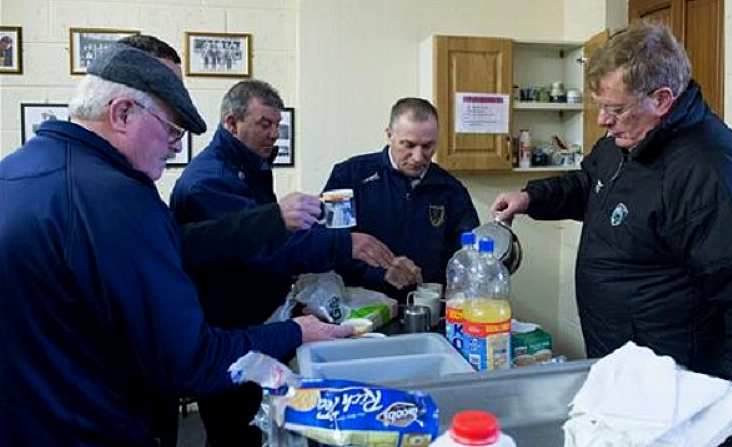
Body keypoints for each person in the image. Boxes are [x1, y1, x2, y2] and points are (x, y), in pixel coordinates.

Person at [0, 43, 353, 446]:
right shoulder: (118, 198)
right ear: (122, 113)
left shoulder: (14, 171)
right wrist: (295, 331)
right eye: (171, 129)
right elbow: (190, 360)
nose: (175, 146)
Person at [490, 22, 732, 413]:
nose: (602, 120)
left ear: (662, 99)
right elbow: (591, 183)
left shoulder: (713, 173)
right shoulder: (629, 139)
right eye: (600, 107)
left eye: (614, 109)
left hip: (677, 391)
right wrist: (531, 197)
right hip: (625, 372)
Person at [169, 79, 402, 446]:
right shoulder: (210, 182)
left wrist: (292, 297)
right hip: (229, 331)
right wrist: (343, 244)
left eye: (277, 125)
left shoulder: (248, 166)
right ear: (231, 123)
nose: (273, 134)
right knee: (235, 430)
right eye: (264, 124)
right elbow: (267, 247)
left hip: (258, 320)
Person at [324, 97, 480, 297]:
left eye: (427, 146)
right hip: (360, 305)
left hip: (427, 304)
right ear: (389, 135)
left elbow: (468, 252)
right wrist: (379, 273)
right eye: (408, 145)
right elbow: (329, 244)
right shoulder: (349, 176)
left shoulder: (450, 189)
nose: (418, 157)